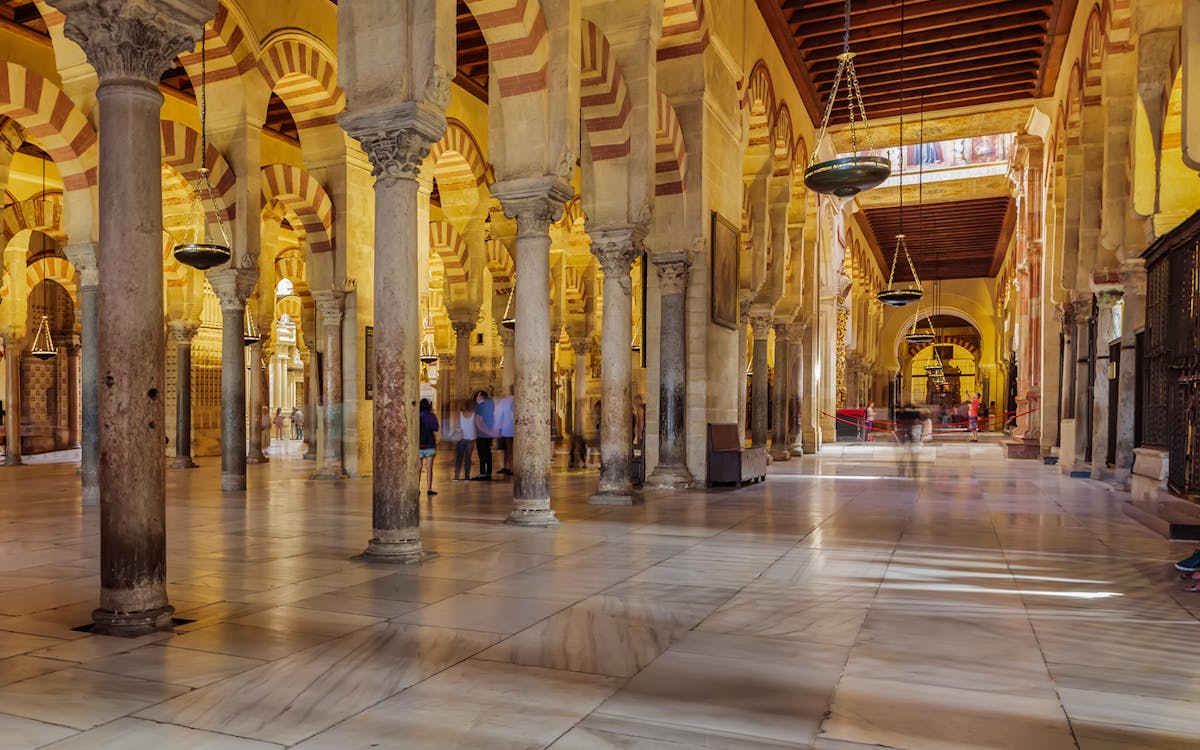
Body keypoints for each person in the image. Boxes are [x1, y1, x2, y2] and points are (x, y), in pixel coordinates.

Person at [473, 390, 496, 480]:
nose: (476, 398)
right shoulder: (491, 405)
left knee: (482, 454)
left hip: (482, 433)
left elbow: (479, 421)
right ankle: (488, 473)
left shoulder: (480, 407)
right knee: (488, 453)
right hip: (489, 432)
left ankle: (482, 473)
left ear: (481, 397)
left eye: (478, 397)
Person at [418, 398, 439, 496]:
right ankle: (429, 489)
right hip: (430, 444)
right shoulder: (431, 416)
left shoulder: (416, 416)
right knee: (429, 468)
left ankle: (416, 488)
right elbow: (436, 428)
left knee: (418, 468)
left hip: (418, 445)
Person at [494, 385, 515, 476]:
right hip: (518, 429)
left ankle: (510, 468)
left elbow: (499, 415)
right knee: (511, 450)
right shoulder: (522, 399)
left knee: (508, 450)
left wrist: (496, 427)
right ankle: (509, 467)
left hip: (507, 429)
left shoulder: (505, 401)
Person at [455, 398, 477, 481]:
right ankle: (466, 477)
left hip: (461, 438)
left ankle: (456, 476)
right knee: (468, 458)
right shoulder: (474, 414)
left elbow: (457, 426)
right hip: (471, 439)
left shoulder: (460, 414)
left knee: (459, 458)